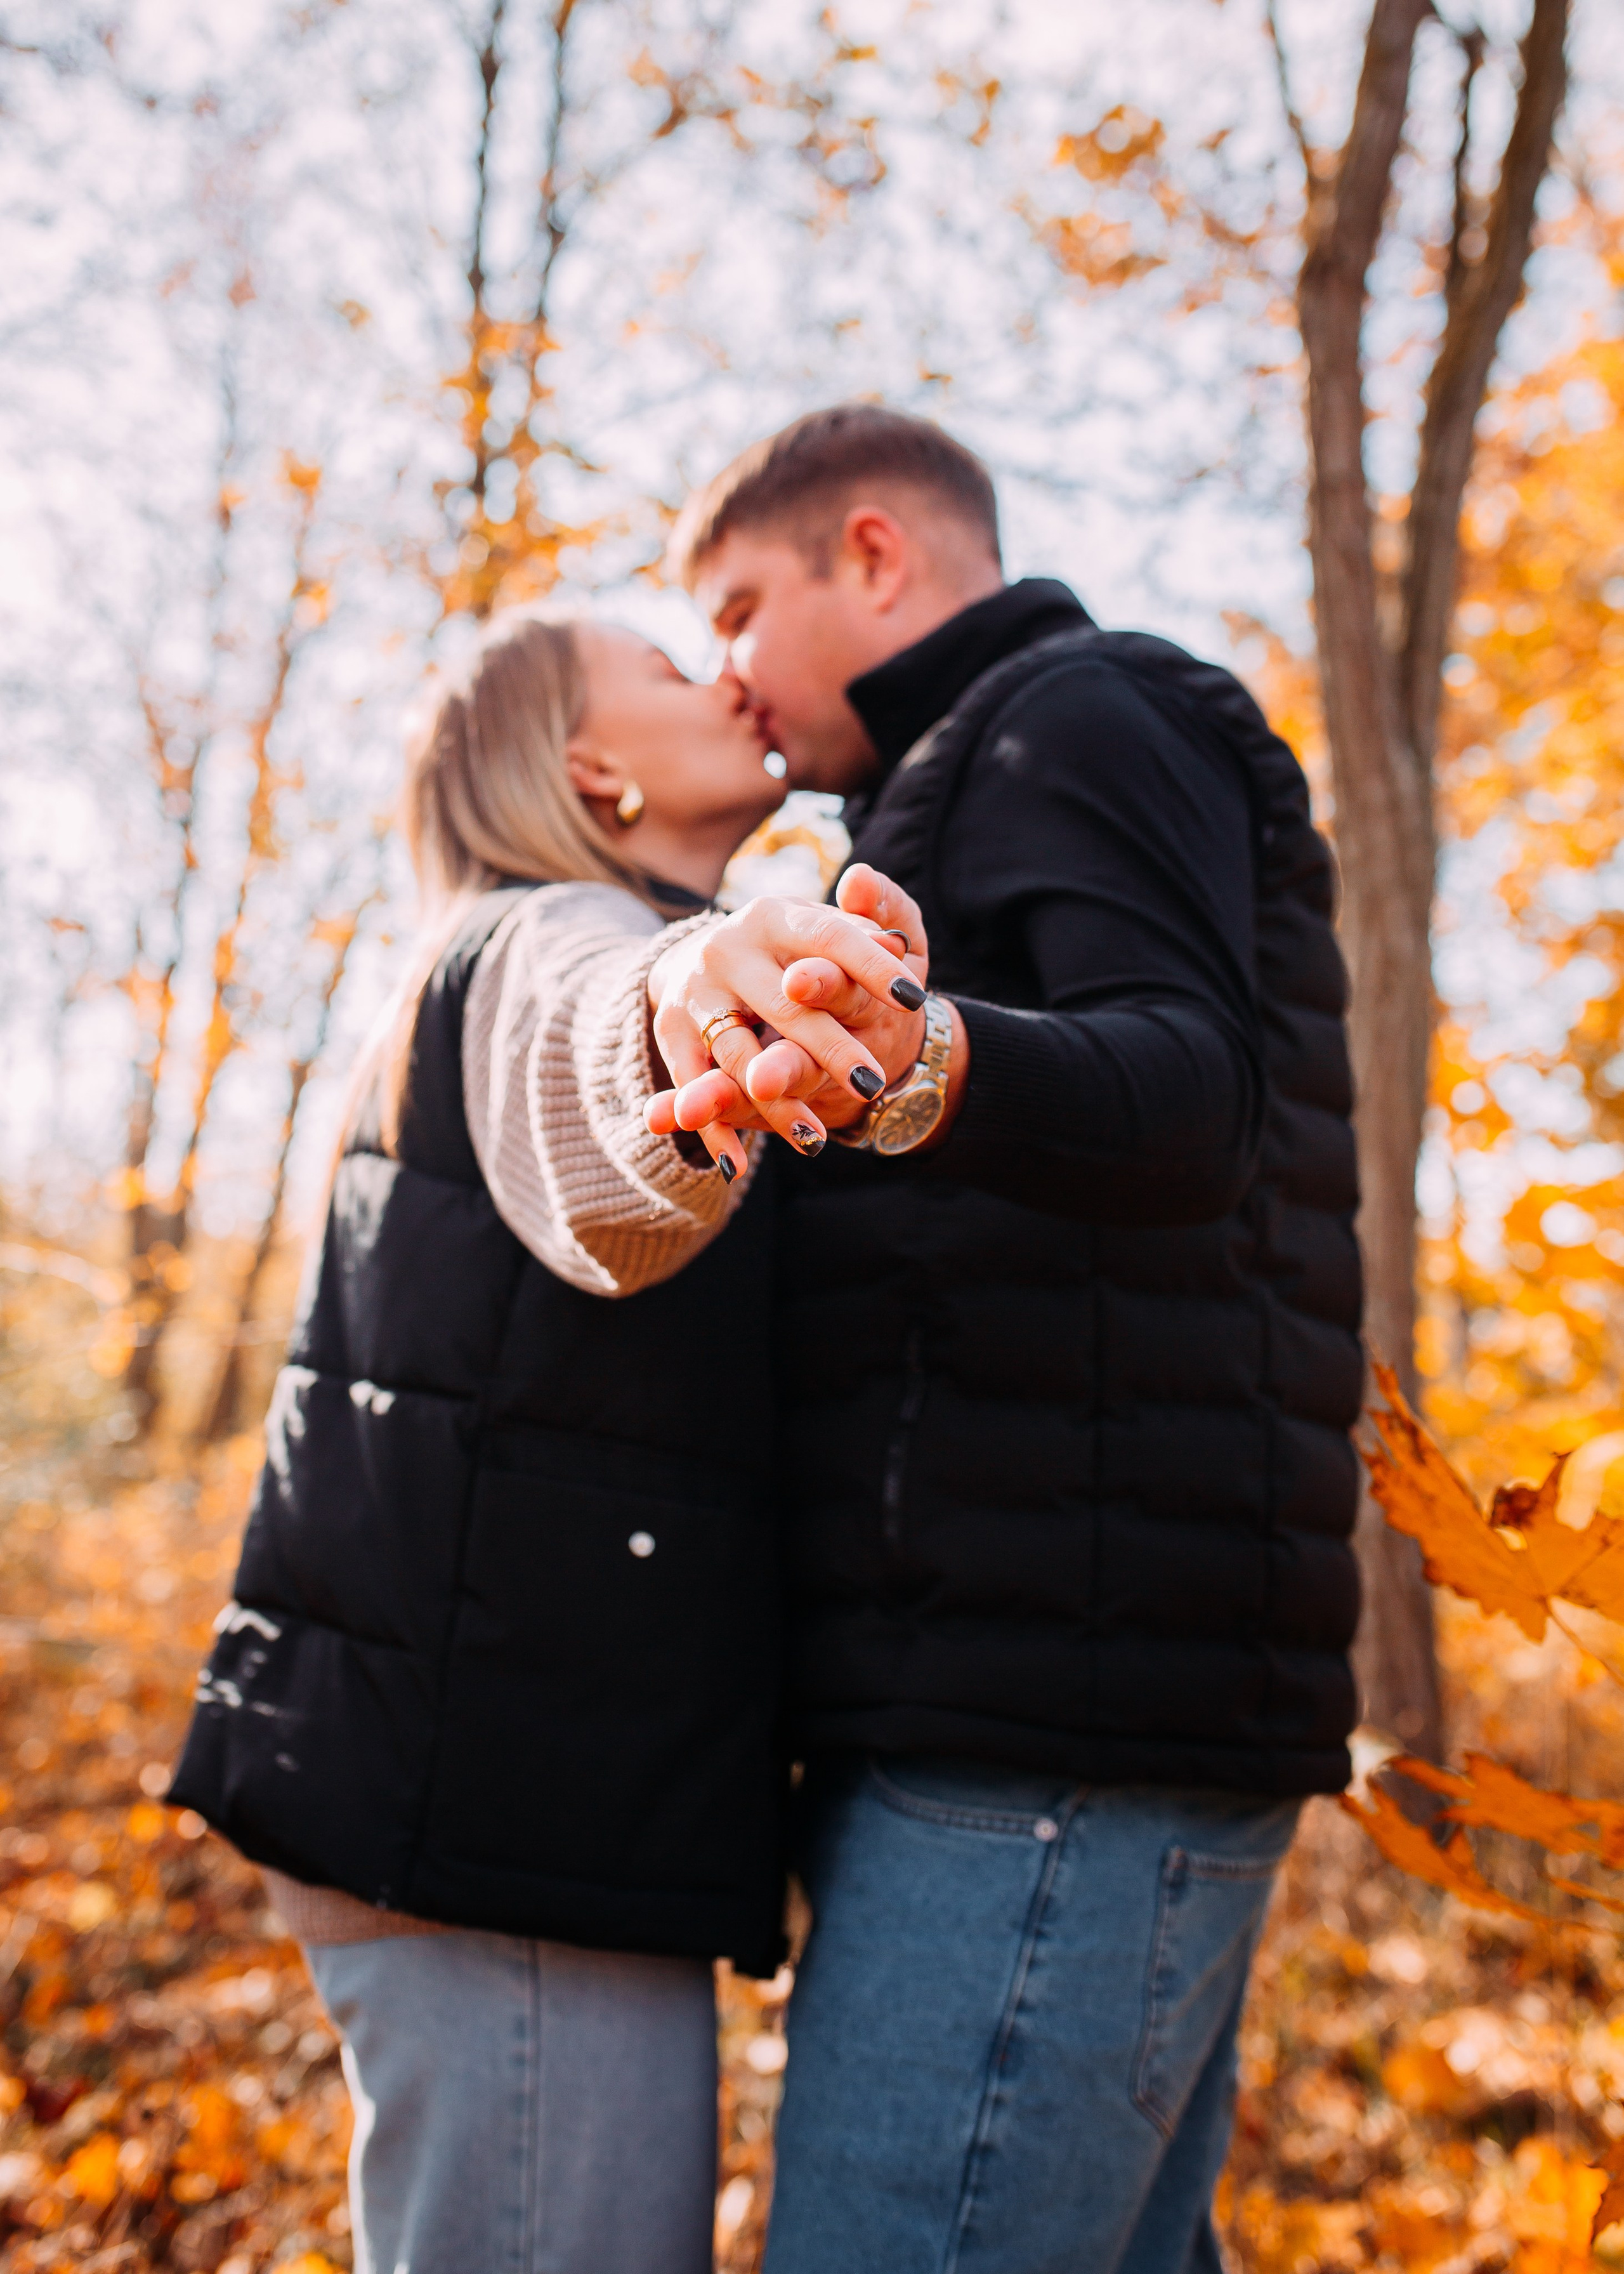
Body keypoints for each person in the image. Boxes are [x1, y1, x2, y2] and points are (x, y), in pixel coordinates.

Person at [641, 404, 1363, 2273]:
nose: (725, 674)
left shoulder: (1076, 716)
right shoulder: (956, 781)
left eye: (736, 609)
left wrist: (919, 1064)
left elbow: (1189, 1091)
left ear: (872, 555)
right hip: (1047, 1702)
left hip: (1051, 1731)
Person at [166, 606, 924, 2274]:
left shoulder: (524, 935)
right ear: (590, 771)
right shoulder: (553, 935)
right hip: (500, 1816)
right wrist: (685, 1018)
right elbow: (602, 1094)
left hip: (501, 1791)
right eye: (665, 669)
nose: (720, 676)